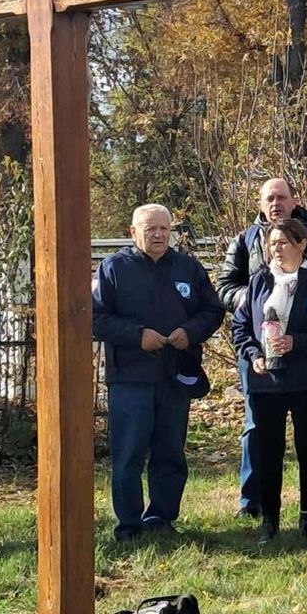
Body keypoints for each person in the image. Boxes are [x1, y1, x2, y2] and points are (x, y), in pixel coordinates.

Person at [92, 204, 224, 541]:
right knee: (128, 455)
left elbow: (212, 310)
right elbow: (96, 317)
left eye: (164, 229)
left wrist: (190, 332)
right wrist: (138, 336)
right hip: (130, 378)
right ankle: (129, 525)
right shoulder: (113, 269)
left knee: (170, 452)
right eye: (150, 229)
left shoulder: (188, 268)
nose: (159, 235)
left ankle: (162, 519)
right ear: (132, 232)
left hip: (174, 377)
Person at [215, 178, 307, 519]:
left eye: (281, 197)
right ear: (260, 203)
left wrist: (298, 331)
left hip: (305, 367)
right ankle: (254, 502)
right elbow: (224, 285)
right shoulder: (244, 240)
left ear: (294, 200)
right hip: (260, 359)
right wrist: (250, 305)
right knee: (258, 431)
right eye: (269, 198)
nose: (275, 203)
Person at [231, 219, 307, 545]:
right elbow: (241, 328)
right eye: (271, 244)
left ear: (302, 244)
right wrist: (253, 355)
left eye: (283, 243)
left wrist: (296, 342)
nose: (276, 249)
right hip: (266, 381)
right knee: (268, 449)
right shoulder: (259, 281)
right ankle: (270, 520)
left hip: (306, 380)